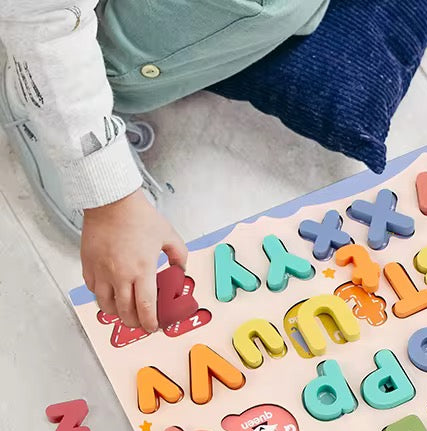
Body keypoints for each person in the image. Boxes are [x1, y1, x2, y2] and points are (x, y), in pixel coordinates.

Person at [0, 1, 331, 333]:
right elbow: (43, 19)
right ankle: (36, 97)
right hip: (71, 34)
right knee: (55, 45)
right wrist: (107, 192)